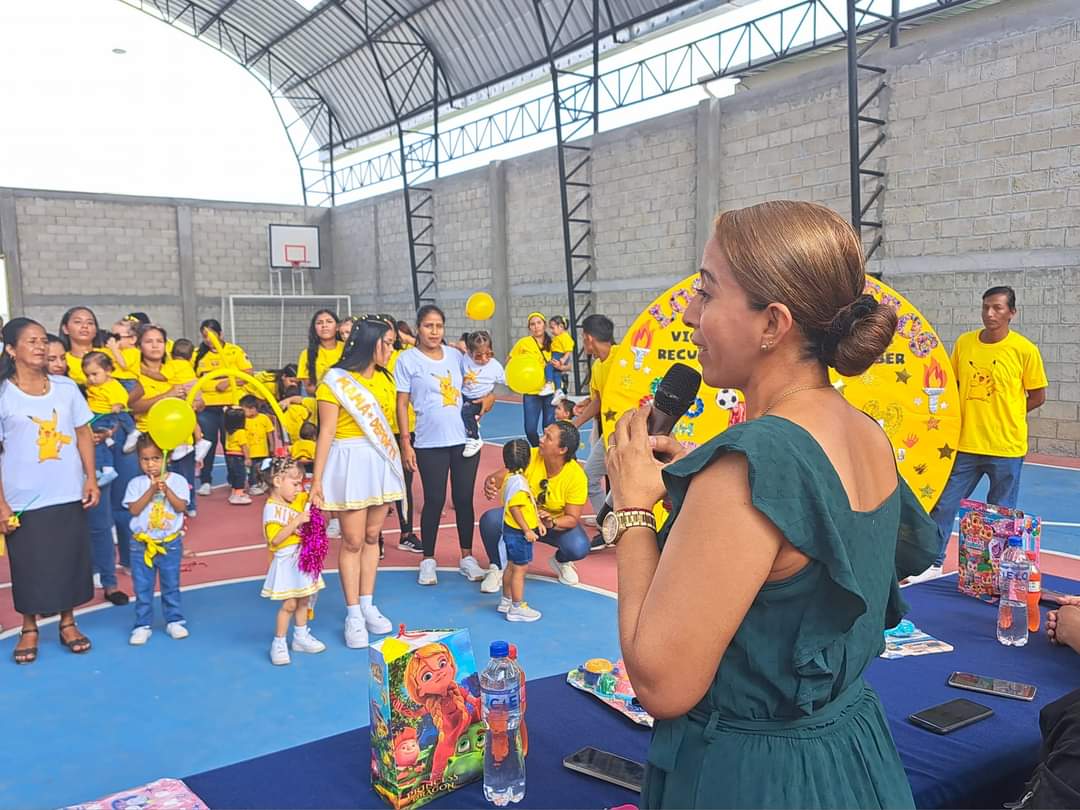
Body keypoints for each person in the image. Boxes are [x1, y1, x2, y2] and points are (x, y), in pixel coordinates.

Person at [604, 200, 939, 809]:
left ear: (772, 324)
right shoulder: (865, 432)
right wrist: (703, 485)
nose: (689, 312)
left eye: (707, 291)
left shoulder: (746, 467)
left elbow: (661, 683)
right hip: (852, 756)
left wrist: (631, 510)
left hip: (754, 779)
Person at [913, 285, 1049, 583]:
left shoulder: (1024, 350)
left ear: (1012, 313)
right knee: (944, 504)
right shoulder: (965, 344)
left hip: (1006, 448)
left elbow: (1038, 395)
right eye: (986, 306)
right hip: (966, 445)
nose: (990, 313)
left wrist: (1010, 414)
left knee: (1000, 514)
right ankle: (933, 564)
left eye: (998, 307)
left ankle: (993, 571)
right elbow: (953, 386)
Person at [0, 318, 99, 664]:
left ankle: (68, 623)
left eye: (43, 340)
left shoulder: (66, 388)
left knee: (69, 560)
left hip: (67, 491)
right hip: (23, 498)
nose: (40, 347)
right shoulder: (3, 394)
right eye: (31, 341)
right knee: (29, 566)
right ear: (11, 350)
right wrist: (1, 504)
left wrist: (90, 477)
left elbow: (83, 432)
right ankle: (29, 628)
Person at [311, 317, 404, 648]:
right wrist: (317, 479)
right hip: (348, 461)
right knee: (351, 540)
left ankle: (367, 604)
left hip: (378, 460)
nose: (391, 350)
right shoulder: (334, 381)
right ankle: (353, 614)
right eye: (387, 343)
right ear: (370, 343)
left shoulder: (386, 379)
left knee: (372, 536)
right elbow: (326, 431)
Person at [394, 305, 486, 586]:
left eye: (439, 326)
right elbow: (401, 403)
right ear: (418, 329)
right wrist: (406, 442)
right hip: (429, 442)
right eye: (428, 326)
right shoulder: (407, 360)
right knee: (434, 500)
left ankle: (467, 557)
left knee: (463, 499)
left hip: (464, 440)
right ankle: (428, 559)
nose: (434, 332)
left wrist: (488, 400)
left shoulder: (457, 356)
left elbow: (478, 383)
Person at [480, 421, 591, 591]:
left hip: (550, 525)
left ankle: (561, 561)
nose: (541, 439)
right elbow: (501, 476)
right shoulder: (530, 456)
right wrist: (491, 482)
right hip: (521, 519)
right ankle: (497, 566)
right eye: (544, 434)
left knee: (579, 546)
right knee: (490, 520)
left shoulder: (576, 476)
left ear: (562, 450)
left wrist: (552, 522)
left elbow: (572, 519)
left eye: (548, 437)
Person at [122, 434, 191, 645]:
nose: (151, 464)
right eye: (145, 459)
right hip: (141, 545)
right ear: (139, 460)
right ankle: (142, 625)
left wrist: (166, 490)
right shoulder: (136, 483)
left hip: (170, 543)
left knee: (171, 584)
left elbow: (181, 507)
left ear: (166, 458)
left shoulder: (178, 481)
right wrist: (151, 490)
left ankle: (174, 620)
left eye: (156, 458)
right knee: (143, 586)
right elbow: (134, 510)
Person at [260, 455, 326, 665]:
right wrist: (296, 521)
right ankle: (279, 642)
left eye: (300, 484)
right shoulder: (271, 508)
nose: (299, 488)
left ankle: (300, 636)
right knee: (289, 604)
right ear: (278, 481)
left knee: (304, 599)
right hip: (286, 562)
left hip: (302, 559)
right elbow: (275, 539)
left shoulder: (297, 498)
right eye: (295, 484)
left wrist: (316, 499)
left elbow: (311, 497)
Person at [127, 325, 200, 517]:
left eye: (159, 341)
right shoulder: (133, 373)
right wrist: (167, 395)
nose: (155, 346)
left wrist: (192, 402)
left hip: (180, 438)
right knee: (149, 495)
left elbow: (200, 402)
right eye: (148, 341)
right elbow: (132, 406)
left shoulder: (179, 368)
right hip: (149, 440)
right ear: (139, 346)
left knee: (181, 495)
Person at [194, 319, 253, 497]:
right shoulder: (198, 354)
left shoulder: (234, 351)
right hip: (207, 407)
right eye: (205, 336)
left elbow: (248, 374)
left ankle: (235, 481)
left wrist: (227, 382)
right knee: (208, 443)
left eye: (211, 335)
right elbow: (191, 378)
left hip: (230, 407)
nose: (208, 339)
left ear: (220, 334)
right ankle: (205, 480)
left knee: (232, 444)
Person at [572, 314, 618, 532]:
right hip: (608, 433)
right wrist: (576, 422)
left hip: (626, 434)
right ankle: (605, 521)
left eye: (583, 338)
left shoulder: (622, 357)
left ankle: (610, 522)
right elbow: (599, 400)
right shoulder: (598, 366)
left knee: (620, 482)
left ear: (588, 338)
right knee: (590, 476)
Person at [380, 315, 420, 553]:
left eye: (390, 330)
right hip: (378, 431)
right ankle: (376, 537)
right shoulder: (368, 361)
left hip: (405, 428)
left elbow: (427, 347)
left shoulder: (404, 355)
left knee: (405, 482)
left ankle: (407, 533)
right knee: (378, 484)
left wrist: (403, 336)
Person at [495, 439, 544, 622]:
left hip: (510, 529)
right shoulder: (520, 485)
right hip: (518, 533)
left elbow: (523, 506)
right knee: (519, 570)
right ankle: (517, 607)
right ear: (528, 460)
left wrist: (537, 521)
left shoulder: (510, 479)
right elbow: (515, 508)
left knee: (510, 566)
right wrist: (527, 530)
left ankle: (506, 600)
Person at [509, 312, 556, 446]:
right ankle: (537, 448)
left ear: (544, 325)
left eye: (539, 323)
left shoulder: (554, 343)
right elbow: (510, 361)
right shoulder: (524, 343)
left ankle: (547, 452)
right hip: (531, 392)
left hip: (550, 391)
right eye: (532, 324)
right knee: (530, 429)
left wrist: (561, 366)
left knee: (549, 428)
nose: (536, 326)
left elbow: (566, 365)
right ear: (529, 327)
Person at [82, 351, 139, 454]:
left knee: (122, 415)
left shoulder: (113, 385)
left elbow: (121, 396)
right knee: (94, 427)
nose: (91, 378)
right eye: (87, 375)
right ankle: (108, 439)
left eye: (94, 374)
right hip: (95, 414)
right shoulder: (92, 385)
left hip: (109, 413)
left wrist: (118, 404)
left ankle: (132, 432)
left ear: (108, 370)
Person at [460, 330, 505, 458]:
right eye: (479, 356)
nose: (484, 359)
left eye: (489, 354)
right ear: (470, 352)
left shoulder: (495, 366)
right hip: (464, 395)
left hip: (479, 399)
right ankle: (472, 423)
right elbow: (461, 345)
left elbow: (508, 380)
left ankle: (474, 438)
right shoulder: (465, 359)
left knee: (466, 412)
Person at [298, 309, 343, 393]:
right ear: (314, 329)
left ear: (337, 327)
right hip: (321, 398)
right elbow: (309, 388)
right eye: (319, 323)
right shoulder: (306, 354)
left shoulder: (348, 348)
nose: (324, 325)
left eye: (329, 322)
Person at [239, 395, 275, 495]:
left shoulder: (264, 418)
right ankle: (253, 485)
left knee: (264, 468)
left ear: (253, 408)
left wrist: (272, 446)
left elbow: (269, 433)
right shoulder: (243, 420)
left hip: (263, 451)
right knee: (253, 470)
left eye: (244, 410)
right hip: (250, 452)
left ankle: (263, 483)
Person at [59, 306, 103, 385]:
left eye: (90, 323)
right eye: (78, 322)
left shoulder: (108, 354)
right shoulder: (61, 360)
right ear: (65, 329)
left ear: (96, 330)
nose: (85, 326)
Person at [222, 407, 251, 505]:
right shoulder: (240, 432)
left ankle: (234, 492)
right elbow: (244, 446)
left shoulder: (228, 431)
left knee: (234, 474)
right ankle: (239, 494)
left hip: (230, 455)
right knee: (240, 475)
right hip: (238, 456)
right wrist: (247, 458)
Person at [547, 315, 574, 398]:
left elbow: (568, 349)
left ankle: (549, 383)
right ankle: (558, 390)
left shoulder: (565, 336)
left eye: (552, 328)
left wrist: (563, 359)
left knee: (549, 367)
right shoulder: (558, 337)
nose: (551, 331)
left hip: (559, 355)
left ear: (561, 327)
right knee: (556, 373)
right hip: (557, 354)